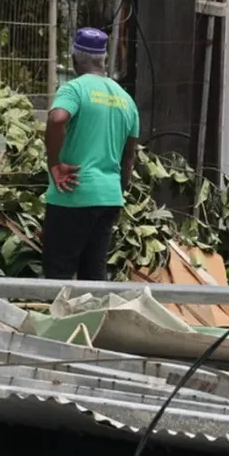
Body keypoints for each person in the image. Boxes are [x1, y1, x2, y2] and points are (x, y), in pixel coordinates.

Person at [42, 28, 140, 281]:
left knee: (59, 273)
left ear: (74, 59)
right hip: (109, 197)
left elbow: (57, 119)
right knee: (94, 275)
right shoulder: (126, 99)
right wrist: (117, 192)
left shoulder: (74, 89)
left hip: (73, 193)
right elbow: (129, 156)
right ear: (104, 59)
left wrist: (55, 163)